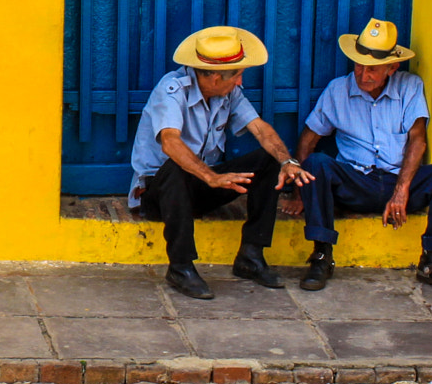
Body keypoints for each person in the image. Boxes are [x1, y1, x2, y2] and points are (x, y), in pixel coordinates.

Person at [282, 18, 432, 296]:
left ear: (392, 68)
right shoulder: (337, 90)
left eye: (372, 69)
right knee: (317, 164)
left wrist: (402, 190)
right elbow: (310, 138)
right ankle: (322, 255)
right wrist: (299, 192)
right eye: (358, 66)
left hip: (399, 181)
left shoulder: (410, 87)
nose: (363, 75)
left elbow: (418, 139)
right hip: (356, 182)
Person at [129, 26, 315, 301]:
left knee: (268, 159)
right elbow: (170, 142)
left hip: (201, 186)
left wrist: (288, 161)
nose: (240, 82)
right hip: (161, 195)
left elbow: (260, 129)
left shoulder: (228, 93)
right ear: (215, 77)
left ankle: (251, 255)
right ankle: (180, 267)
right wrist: (211, 177)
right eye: (237, 75)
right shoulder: (171, 90)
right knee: (175, 166)